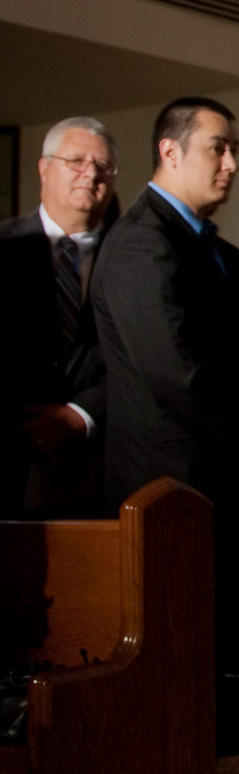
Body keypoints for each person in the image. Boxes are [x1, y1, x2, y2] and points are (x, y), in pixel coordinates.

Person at [90, 96, 239, 659]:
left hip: (215, 475)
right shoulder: (142, 245)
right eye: (219, 149)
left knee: (220, 639)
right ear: (170, 151)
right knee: (179, 648)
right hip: (167, 481)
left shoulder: (221, 252)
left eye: (235, 151)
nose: (232, 164)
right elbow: (177, 373)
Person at [0, 116, 116, 514]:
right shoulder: (4, 246)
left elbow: (144, 359)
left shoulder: (133, 259)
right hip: (10, 457)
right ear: (44, 168)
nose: (91, 174)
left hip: (101, 463)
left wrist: (78, 417)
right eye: (77, 161)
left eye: (103, 166)